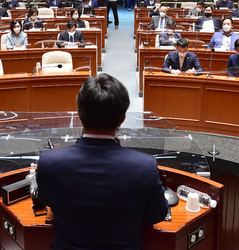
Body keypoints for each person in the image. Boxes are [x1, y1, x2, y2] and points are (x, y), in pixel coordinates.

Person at [36, 73, 168, 250]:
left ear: (79, 114)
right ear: (122, 118)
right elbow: (157, 215)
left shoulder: (49, 162)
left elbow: (45, 200)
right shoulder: (145, 167)